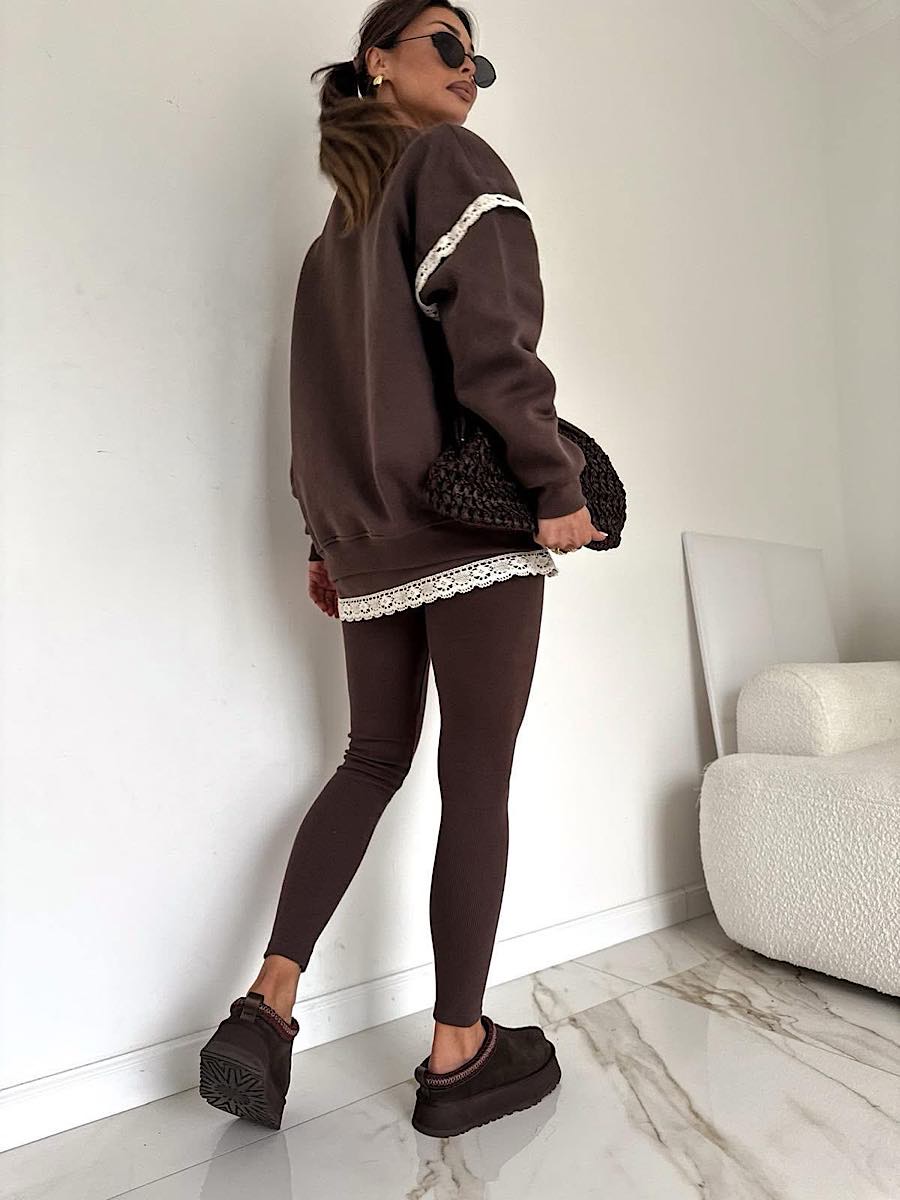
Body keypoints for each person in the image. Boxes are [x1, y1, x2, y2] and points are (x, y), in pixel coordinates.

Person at [199, 0, 605, 1137]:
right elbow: (496, 343)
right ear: (377, 61)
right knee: (474, 775)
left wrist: (327, 543)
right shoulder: (451, 163)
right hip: (470, 527)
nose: (470, 68)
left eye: (480, 56)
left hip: (371, 542)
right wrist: (555, 483)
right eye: (447, 43)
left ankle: (268, 1004)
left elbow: (313, 413)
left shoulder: (331, 241)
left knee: (372, 757)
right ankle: (458, 1052)